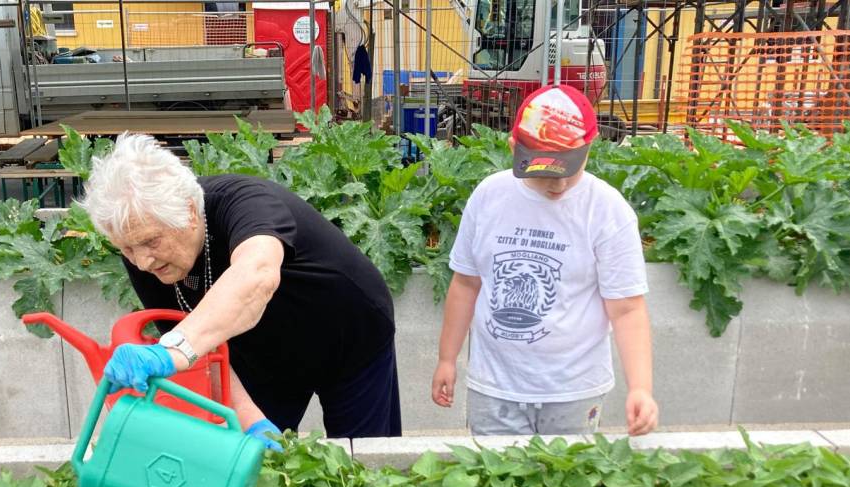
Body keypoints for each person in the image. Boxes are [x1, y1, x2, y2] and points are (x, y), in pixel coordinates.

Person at [81, 134, 401, 449]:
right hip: (261, 352)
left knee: (363, 460)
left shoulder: (245, 202)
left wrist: (173, 350)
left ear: (191, 212)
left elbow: (256, 276)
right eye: (126, 248)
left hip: (349, 335)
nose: (142, 261)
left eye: (151, 241)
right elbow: (205, 353)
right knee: (251, 460)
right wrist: (253, 423)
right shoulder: (145, 254)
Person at [431, 84, 659, 437]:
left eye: (572, 168)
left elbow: (627, 308)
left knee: (565, 485)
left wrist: (640, 387)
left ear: (590, 147)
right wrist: (447, 358)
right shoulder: (490, 196)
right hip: (495, 387)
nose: (561, 184)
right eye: (546, 172)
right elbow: (466, 283)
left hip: (573, 391)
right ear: (514, 150)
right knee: (495, 484)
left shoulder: (607, 211)